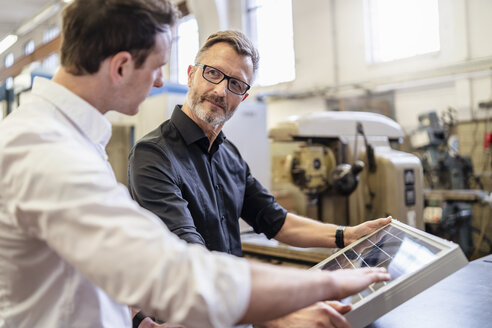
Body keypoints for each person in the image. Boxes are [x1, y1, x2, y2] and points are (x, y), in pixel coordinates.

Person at [0, 1, 391, 328]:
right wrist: (317, 290)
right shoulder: (49, 151)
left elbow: (105, 263)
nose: (157, 82)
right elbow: (176, 271)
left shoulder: (73, 141)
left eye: (236, 84)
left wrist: (134, 316)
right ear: (120, 67)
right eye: (157, 67)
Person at [127, 30, 392, 328]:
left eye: (235, 84)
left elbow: (275, 220)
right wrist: (278, 311)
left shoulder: (229, 156)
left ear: (244, 96)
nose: (220, 91)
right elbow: (193, 259)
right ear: (191, 74)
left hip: (235, 317)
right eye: (212, 73)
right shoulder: (153, 155)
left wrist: (346, 236)